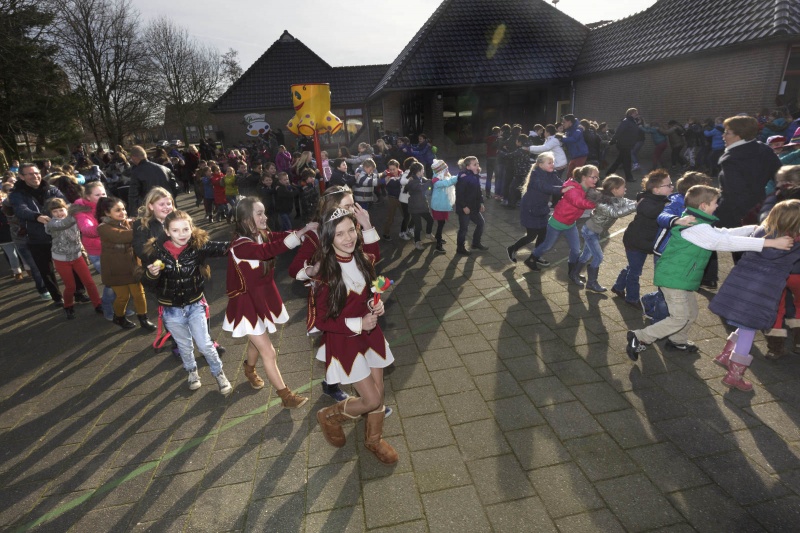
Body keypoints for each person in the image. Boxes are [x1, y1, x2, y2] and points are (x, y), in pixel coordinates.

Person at [626, 185, 793, 362]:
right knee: (680, 318)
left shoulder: (700, 223)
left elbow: (722, 233)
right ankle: (640, 336)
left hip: (681, 278)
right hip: (673, 279)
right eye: (715, 203)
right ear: (704, 206)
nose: (717, 206)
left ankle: (677, 341)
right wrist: (769, 243)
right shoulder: (695, 227)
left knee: (690, 313)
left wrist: (753, 229)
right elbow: (721, 242)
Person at [312, 208, 398, 464]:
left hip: (370, 334)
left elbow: (373, 268)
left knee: (379, 392)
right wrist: (358, 322)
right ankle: (330, 416)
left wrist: (375, 306)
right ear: (329, 239)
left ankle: (374, 440)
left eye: (351, 230)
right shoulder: (326, 274)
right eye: (340, 234)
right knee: (370, 399)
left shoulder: (360, 258)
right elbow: (321, 320)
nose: (348, 238)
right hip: (346, 340)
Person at [288, 185, 378, 406]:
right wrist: (312, 271)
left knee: (342, 341)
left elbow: (372, 258)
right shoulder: (317, 233)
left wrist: (366, 226)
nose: (354, 209)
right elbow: (293, 269)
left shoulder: (350, 228)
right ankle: (338, 388)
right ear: (332, 207)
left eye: (353, 204)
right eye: (348, 205)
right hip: (330, 295)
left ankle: (362, 395)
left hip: (351, 293)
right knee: (334, 338)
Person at [223, 197, 316, 407]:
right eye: (259, 214)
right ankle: (286, 396)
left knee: (258, 339)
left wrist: (306, 230)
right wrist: (300, 234)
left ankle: (249, 369)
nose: (265, 217)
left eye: (264, 212)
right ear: (246, 219)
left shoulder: (261, 234)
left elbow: (279, 237)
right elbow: (265, 251)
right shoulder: (240, 245)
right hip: (245, 304)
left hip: (262, 297)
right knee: (269, 351)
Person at [709, 200, 800, 392]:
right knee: (749, 328)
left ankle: (726, 355)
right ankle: (735, 375)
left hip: (741, 283)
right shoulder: (795, 242)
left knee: (744, 322)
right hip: (763, 290)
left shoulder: (761, 233)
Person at [144, 210, 232, 395]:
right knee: (184, 346)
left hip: (195, 305)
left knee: (205, 344)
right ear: (167, 232)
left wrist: (243, 243)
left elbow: (223, 247)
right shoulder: (156, 252)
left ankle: (219, 373)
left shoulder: (198, 246)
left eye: (186, 229)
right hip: (171, 310)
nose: (182, 234)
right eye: (176, 230)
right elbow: (150, 285)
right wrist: (151, 274)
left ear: (192, 228)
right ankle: (192, 372)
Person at [715, 117, 782, 264]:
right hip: (759, 208)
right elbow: (781, 177)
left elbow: (734, 193)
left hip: (736, 213)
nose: (723, 136)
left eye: (727, 133)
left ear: (739, 135)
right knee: (755, 251)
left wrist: (715, 212)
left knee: (741, 255)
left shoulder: (731, 159)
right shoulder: (764, 149)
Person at [528, 165, 599, 284]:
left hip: (570, 224)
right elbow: (579, 202)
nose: (596, 180)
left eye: (597, 177)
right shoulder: (572, 189)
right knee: (547, 246)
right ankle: (531, 259)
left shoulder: (588, 189)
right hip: (557, 223)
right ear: (583, 177)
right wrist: (596, 203)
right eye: (593, 177)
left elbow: (594, 197)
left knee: (576, 250)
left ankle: (572, 273)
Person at [611, 169, 672, 306]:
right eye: (668, 185)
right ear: (656, 190)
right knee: (635, 271)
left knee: (633, 266)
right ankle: (632, 298)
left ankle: (618, 286)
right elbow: (651, 212)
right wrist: (666, 205)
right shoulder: (646, 201)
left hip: (644, 242)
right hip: (635, 242)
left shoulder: (662, 199)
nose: (672, 187)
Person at [9, 163, 66, 304]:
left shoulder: (51, 189)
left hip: (59, 234)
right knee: (45, 270)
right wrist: (36, 216)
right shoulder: (17, 194)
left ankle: (78, 292)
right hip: (36, 237)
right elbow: (21, 210)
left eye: (36, 172)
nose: (35, 176)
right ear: (21, 177)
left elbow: (65, 203)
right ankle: (57, 297)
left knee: (70, 263)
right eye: (30, 174)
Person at [96, 196, 156, 331]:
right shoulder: (103, 228)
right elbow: (120, 236)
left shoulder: (128, 223)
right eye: (117, 210)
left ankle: (143, 318)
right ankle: (119, 317)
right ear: (107, 213)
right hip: (116, 269)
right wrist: (141, 228)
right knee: (123, 297)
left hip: (132, 266)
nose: (122, 212)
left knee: (139, 294)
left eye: (123, 209)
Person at [44, 198, 103, 319]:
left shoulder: (74, 218)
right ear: (51, 213)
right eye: (55, 212)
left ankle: (98, 304)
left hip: (77, 256)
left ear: (66, 209)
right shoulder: (51, 224)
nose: (59, 213)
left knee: (90, 283)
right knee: (70, 286)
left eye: (61, 210)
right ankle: (68, 306)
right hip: (61, 259)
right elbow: (64, 224)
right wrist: (76, 213)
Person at [576, 175, 636, 292]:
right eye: (623, 188)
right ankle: (591, 283)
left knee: (586, 255)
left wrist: (639, 201)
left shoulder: (616, 198)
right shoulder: (602, 202)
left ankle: (574, 273)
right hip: (590, 231)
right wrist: (636, 206)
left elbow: (627, 202)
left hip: (595, 231)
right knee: (598, 257)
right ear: (614, 190)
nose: (625, 190)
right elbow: (615, 213)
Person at [506, 152, 563, 268]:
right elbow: (545, 187)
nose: (552, 164)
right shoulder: (535, 174)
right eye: (549, 162)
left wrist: (571, 185)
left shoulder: (552, 173)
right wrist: (563, 189)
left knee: (543, 233)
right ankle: (512, 248)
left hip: (541, 207)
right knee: (531, 236)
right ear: (540, 165)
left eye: (553, 162)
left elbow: (560, 183)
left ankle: (535, 257)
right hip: (530, 208)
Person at [127, 145, 178, 210]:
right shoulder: (165, 169)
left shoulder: (136, 173)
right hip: (169, 206)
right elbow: (175, 187)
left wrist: (133, 213)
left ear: (134, 157)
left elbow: (133, 195)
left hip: (151, 209)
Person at [455, 156, 488, 255]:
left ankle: (476, 243)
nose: (478, 165)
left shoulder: (476, 174)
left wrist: (481, 202)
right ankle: (460, 248)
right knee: (464, 229)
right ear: (468, 167)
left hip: (474, 207)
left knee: (481, 223)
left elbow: (478, 191)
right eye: (475, 164)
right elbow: (459, 194)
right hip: (465, 208)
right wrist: (464, 206)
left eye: (478, 163)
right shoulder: (464, 177)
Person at [430, 159, 458, 254]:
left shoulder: (443, 177)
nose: (447, 171)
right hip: (438, 206)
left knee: (441, 224)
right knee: (440, 224)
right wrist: (457, 178)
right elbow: (446, 183)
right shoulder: (436, 179)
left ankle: (439, 237)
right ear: (440, 171)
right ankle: (438, 245)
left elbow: (448, 180)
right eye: (446, 169)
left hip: (442, 206)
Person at [405, 162, 434, 251]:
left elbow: (427, 182)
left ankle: (428, 234)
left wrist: (433, 181)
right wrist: (431, 182)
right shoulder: (412, 181)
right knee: (418, 226)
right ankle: (417, 241)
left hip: (422, 205)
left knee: (430, 220)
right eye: (423, 170)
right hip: (415, 208)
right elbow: (422, 187)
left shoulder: (421, 178)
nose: (424, 171)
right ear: (418, 171)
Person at [606, 108, 640, 182]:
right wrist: (612, 141)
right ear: (630, 114)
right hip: (624, 144)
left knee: (620, 160)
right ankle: (629, 177)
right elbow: (618, 132)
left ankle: (608, 174)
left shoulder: (632, 122)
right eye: (635, 113)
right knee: (627, 161)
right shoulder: (626, 121)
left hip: (628, 144)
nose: (637, 114)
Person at [380, 159, 403, 240]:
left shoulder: (401, 173)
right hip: (392, 198)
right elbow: (379, 181)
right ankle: (386, 233)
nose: (392, 171)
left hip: (401, 198)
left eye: (394, 169)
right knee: (390, 218)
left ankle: (406, 230)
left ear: (398, 168)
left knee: (406, 215)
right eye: (390, 169)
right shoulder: (387, 175)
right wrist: (384, 179)